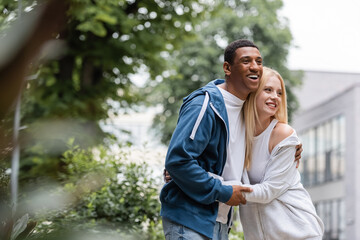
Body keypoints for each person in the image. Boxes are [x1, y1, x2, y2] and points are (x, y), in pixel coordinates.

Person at [160, 39, 302, 240]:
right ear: (227, 68)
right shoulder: (206, 104)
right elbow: (178, 161)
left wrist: (289, 146)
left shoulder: (244, 113)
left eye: (259, 61)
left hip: (220, 222)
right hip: (190, 218)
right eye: (246, 61)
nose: (254, 66)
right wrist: (223, 191)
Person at [239, 67, 324, 239]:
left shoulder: (283, 134)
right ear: (251, 91)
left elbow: (268, 191)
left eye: (279, 93)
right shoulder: (235, 135)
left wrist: (221, 190)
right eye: (268, 90)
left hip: (297, 233)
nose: (275, 97)